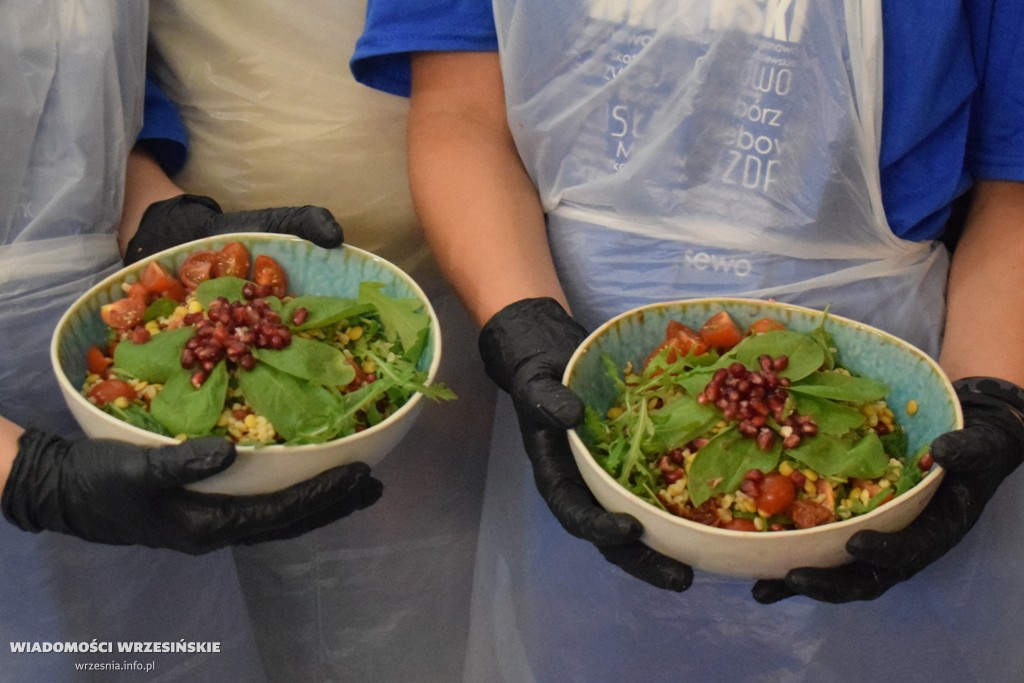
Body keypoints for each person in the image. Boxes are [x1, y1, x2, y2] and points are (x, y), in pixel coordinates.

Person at [350, 1, 1024, 681]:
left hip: (895, 412)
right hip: (585, 382)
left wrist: (990, 399)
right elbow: (462, 109)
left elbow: (1015, 184)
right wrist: (526, 328)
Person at [0, 4, 379, 680]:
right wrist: (25, 476)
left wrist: (155, 218)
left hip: (101, 361)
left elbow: (81, 89)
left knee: (157, 646)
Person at [143, 2, 497, 680]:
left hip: (465, 272)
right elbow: (99, 74)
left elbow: (471, 76)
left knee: (440, 559)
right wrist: (155, 206)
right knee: (253, 567)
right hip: (213, 270)